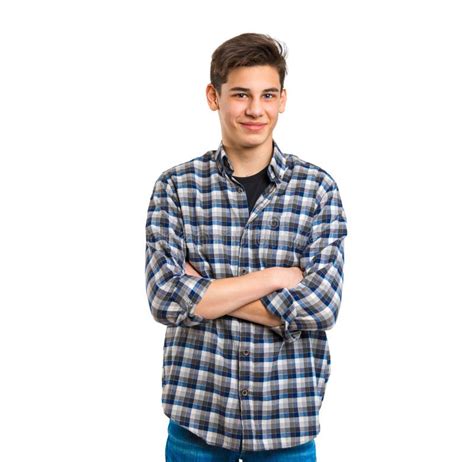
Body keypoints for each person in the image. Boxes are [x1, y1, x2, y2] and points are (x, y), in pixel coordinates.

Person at [145, 32, 348, 462]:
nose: (256, 109)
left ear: (282, 99)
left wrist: (208, 294)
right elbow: (164, 297)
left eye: (267, 95)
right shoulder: (176, 188)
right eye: (240, 94)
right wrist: (275, 278)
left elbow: (321, 306)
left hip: (285, 425)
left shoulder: (317, 191)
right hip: (196, 422)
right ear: (213, 96)